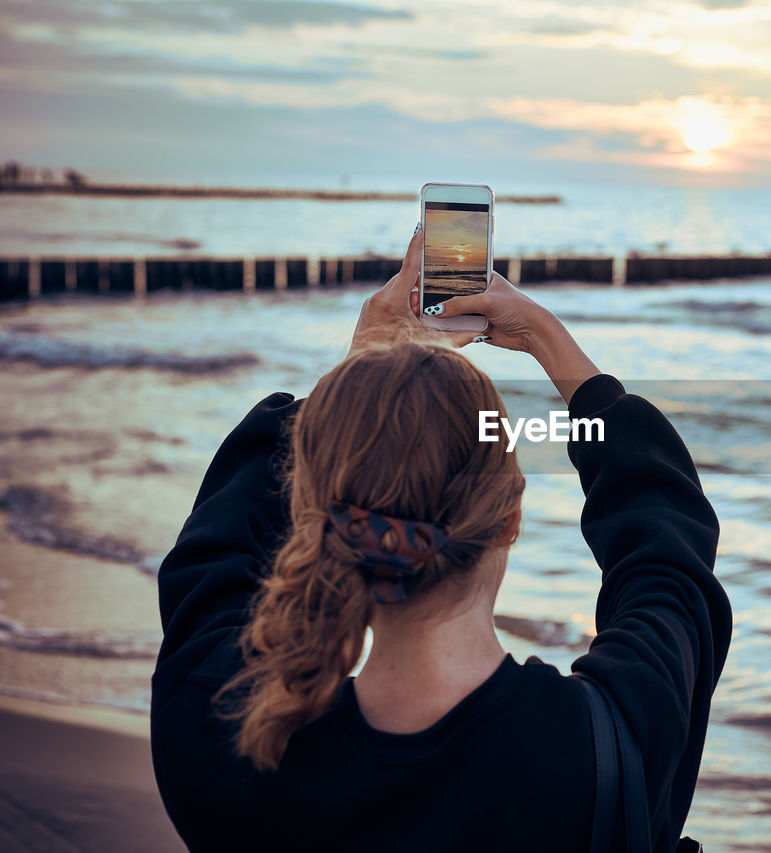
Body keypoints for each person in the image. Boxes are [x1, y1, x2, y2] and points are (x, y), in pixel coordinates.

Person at [149, 224, 733, 852]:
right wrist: (547, 340)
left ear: (321, 516)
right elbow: (667, 556)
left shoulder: (232, 737)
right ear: (511, 518)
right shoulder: (608, 752)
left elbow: (218, 551)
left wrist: (362, 376)